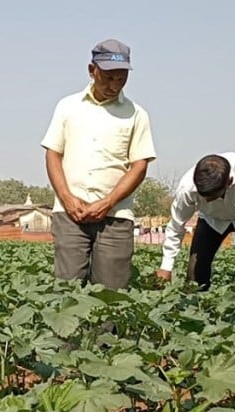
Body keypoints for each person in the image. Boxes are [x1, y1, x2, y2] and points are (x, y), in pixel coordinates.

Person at [40, 38, 156, 290]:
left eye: (121, 78)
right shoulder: (67, 107)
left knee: (110, 295)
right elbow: (53, 155)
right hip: (71, 213)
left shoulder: (136, 114)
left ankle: (106, 332)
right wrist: (67, 199)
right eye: (108, 77)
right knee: (66, 289)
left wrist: (108, 202)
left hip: (115, 216)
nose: (115, 85)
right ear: (92, 70)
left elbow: (139, 166)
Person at [155, 153, 235, 290]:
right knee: (194, 278)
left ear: (229, 182)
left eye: (212, 197)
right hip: (211, 219)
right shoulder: (186, 189)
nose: (207, 201)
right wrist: (166, 267)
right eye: (203, 197)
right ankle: (197, 306)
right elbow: (176, 226)